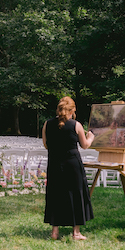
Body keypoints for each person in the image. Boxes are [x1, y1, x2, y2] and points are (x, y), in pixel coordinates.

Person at [43, 96, 95, 240]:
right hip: (72, 165)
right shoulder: (76, 125)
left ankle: (54, 232)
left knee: (55, 195)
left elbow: (46, 145)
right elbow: (85, 145)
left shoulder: (47, 124)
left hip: (54, 165)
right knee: (75, 195)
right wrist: (90, 137)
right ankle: (76, 233)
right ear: (72, 110)